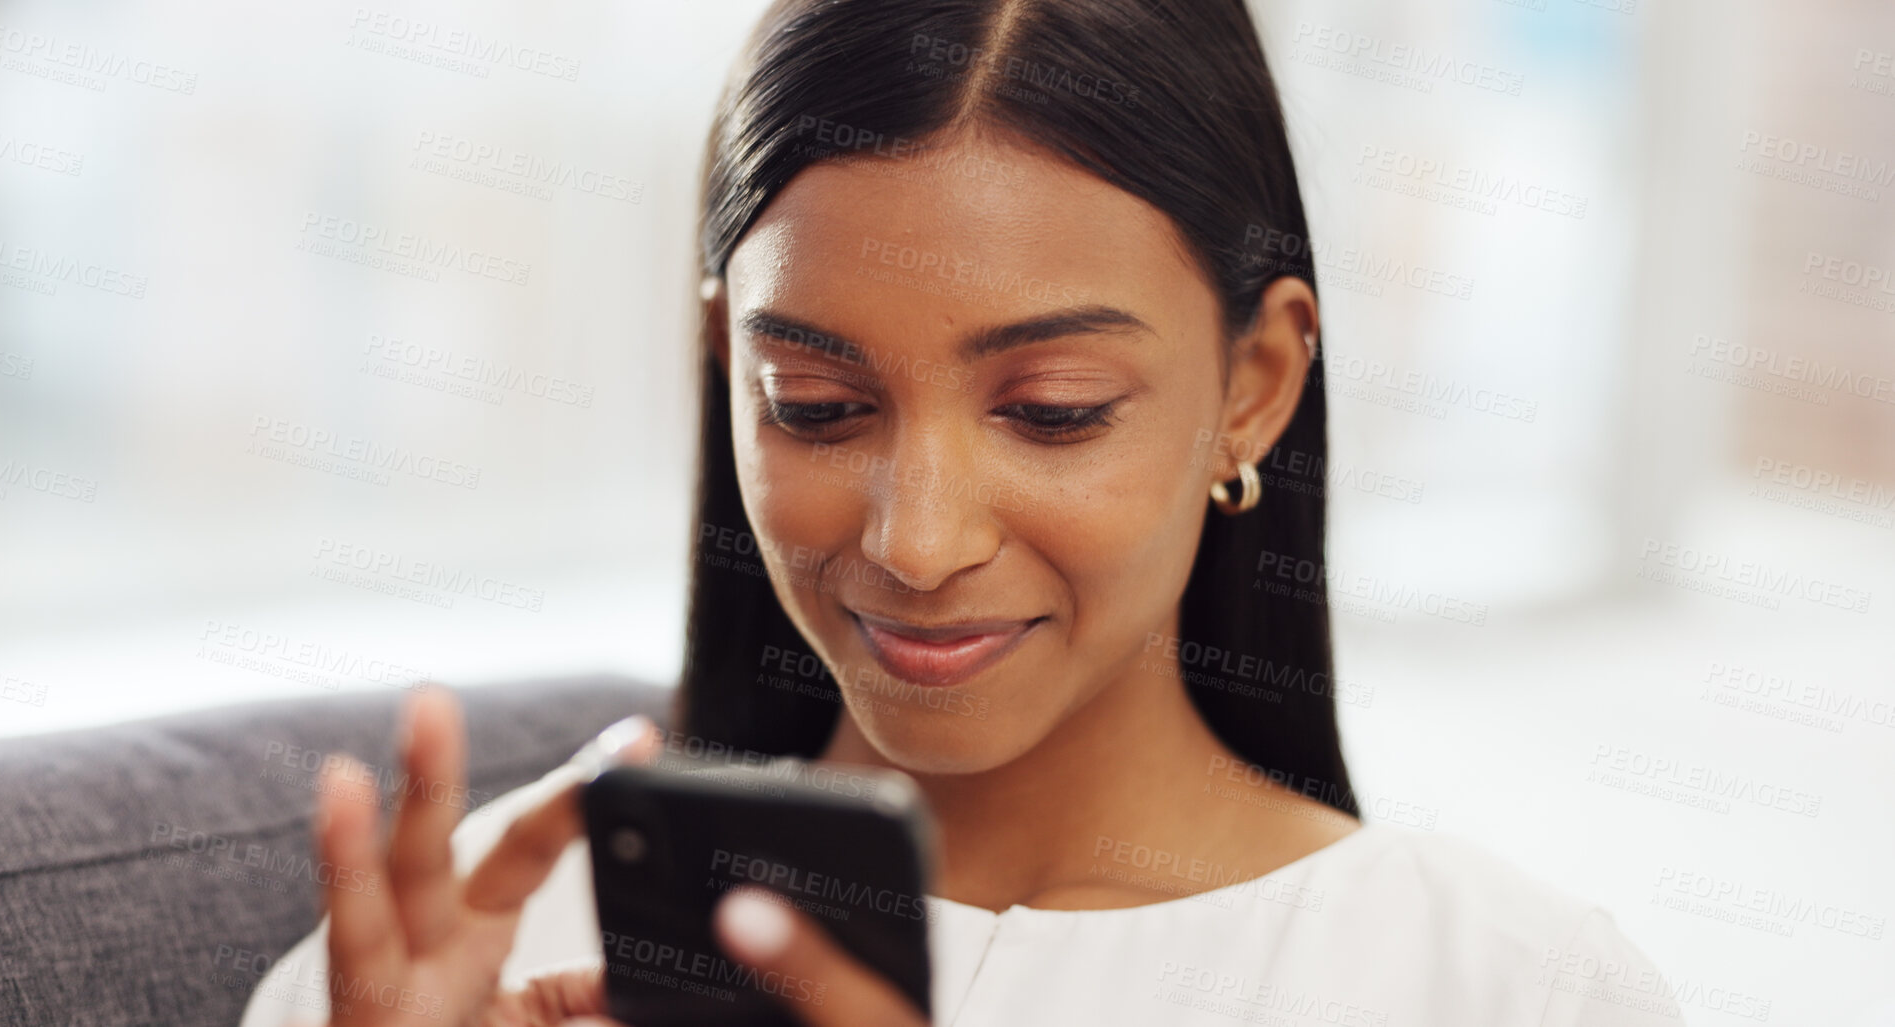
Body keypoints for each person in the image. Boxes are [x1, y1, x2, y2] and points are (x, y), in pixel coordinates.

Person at [244, 0, 1682, 1024]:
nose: (916, 541)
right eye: (814, 405)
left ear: (1252, 386)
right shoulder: (467, 964)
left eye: (1053, 410)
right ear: (722, 371)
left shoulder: (1500, 989)